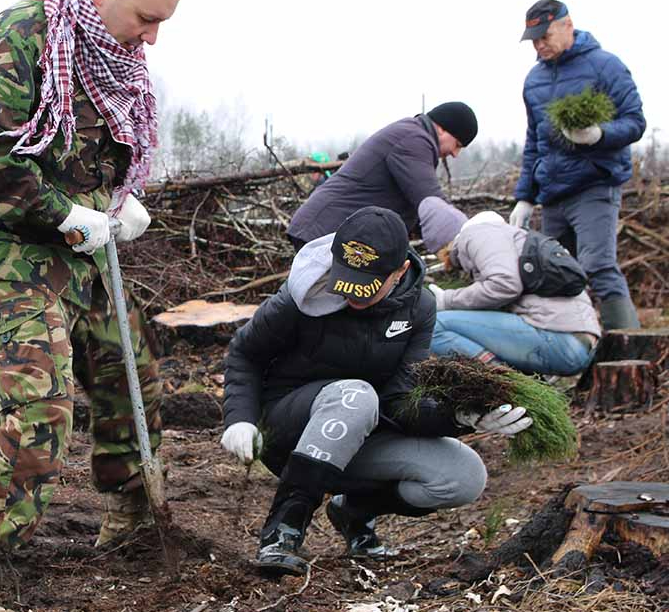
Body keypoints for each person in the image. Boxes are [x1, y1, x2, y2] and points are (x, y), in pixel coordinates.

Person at [0, 0, 183, 612]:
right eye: (147, 18)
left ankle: (133, 513)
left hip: (82, 243)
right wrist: (63, 212)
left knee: (130, 369)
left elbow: (96, 150)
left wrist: (118, 202)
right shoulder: (24, 37)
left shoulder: (112, 52)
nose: (153, 39)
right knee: (40, 405)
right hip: (13, 246)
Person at [221, 206, 530, 576]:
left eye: (366, 287)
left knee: (463, 476)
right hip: (288, 427)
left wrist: (462, 416)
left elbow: (400, 402)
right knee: (356, 395)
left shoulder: (420, 308)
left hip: (362, 427)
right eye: (346, 281)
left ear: (399, 272)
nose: (352, 297)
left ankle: (353, 509)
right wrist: (239, 419)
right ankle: (283, 531)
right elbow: (244, 353)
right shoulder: (304, 291)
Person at [509, 0, 646, 330]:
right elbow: (534, 142)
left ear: (567, 25)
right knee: (552, 272)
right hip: (552, 194)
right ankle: (570, 353)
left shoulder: (605, 67)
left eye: (545, 36)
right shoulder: (534, 80)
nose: (539, 44)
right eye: (534, 39)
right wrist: (525, 196)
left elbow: (635, 122)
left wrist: (598, 135)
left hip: (593, 186)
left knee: (598, 266)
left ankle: (626, 352)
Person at [418, 197, 600, 375]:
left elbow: (505, 284)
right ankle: (516, 383)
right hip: (572, 339)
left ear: (444, 244)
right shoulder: (503, 234)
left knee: (433, 326)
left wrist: (446, 300)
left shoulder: (478, 236)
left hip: (560, 340)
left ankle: (504, 385)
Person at [286, 102, 478, 249]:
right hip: (324, 231)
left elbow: (418, 209)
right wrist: (473, 236)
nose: (455, 153)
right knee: (332, 299)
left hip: (334, 231)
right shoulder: (413, 139)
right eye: (458, 144)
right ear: (443, 128)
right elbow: (430, 201)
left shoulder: (412, 135)